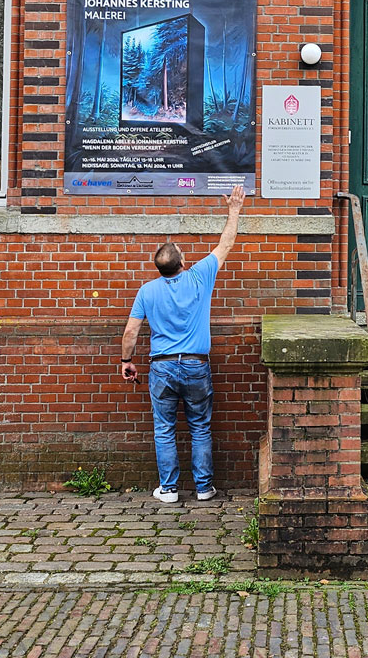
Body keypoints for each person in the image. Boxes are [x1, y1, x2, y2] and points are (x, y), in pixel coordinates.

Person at [120, 185, 246, 504]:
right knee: (200, 427)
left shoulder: (147, 291)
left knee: (164, 429)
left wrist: (126, 361)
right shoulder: (200, 276)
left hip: (161, 367)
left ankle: (169, 489)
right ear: (183, 261)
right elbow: (226, 243)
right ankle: (204, 488)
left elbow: (131, 330)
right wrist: (234, 209)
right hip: (195, 364)